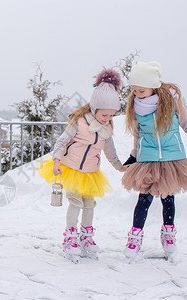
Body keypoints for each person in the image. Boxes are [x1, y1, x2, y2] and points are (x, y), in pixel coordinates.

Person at [121, 61, 187, 259]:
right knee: (144, 199)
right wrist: (134, 155)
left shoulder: (172, 101)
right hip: (147, 158)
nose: (137, 94)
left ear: (153, 86)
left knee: (168, 199)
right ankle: (135, 237)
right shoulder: (136, 106)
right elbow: (137, 134)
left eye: (141, 90)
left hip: (172, 157)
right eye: (134, 90)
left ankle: (168, 235)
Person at [38, 68, 125, 261]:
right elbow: (61, 141)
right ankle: (70, 237)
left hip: (91, 172)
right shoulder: (80, 122)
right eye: (105, 115)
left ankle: (86, 237)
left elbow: (110, 151)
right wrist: (56, 160)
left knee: (89, 205)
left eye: (111, 116)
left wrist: (119, 166)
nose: (108, 119)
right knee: (75, 202)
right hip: (71, 168)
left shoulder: (107, 128)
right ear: (95, 109)